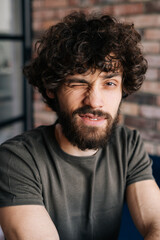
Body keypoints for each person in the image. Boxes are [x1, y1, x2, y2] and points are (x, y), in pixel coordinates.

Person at [0, 11, 160, 240]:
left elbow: (156, 222)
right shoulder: (16, 159)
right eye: (77, 83)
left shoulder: (128, 145)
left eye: (110, 83)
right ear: (52, 89)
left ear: (122, 89)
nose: (94, 101)